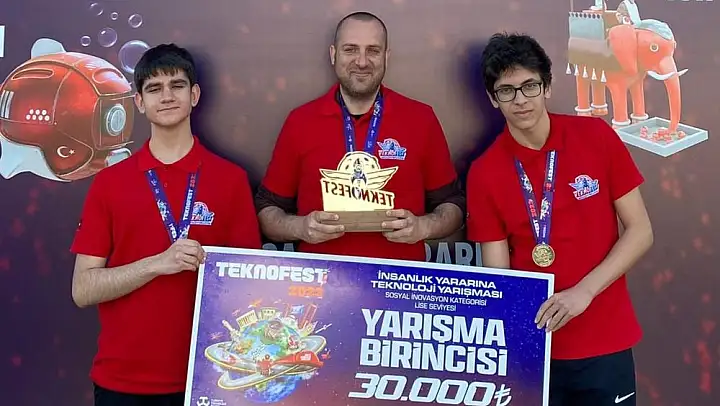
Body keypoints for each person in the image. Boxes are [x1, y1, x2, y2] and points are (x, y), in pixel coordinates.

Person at [466, 33, 653, 406]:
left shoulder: (596, 136)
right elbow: (500, 278)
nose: (520, 99)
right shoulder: (484, 173)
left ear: (547, 87)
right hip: (536, 351)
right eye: (506, 91)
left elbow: (641, 231)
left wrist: (584, 292)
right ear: (493, 98)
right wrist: (517, 342)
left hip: (606, 340)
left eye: (529, 86)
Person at [70, 43, 262, 406]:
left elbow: (250, 285)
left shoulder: (230, 180)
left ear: (194, 95)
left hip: (210, 379)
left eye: (177, 85)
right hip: (123, 382)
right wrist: (158, 264)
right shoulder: (110, 183)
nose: (167, 96)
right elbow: (83, 289)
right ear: (139, 102)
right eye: (154, 88)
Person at [255, 11, 464, 261]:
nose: (362, 62)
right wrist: (300, 228)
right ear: (333, 54)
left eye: (373, 51)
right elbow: (266, 210)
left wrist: (423, 227)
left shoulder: (421, 119)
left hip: (398, 281)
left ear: (386, 57)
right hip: (322, 280)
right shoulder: (300, 121)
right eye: (350, 49)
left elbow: (454, 205)